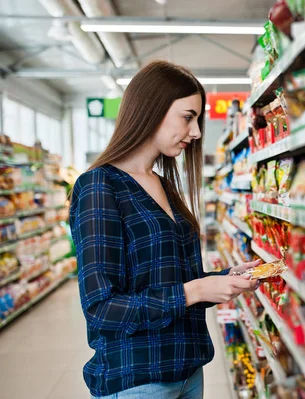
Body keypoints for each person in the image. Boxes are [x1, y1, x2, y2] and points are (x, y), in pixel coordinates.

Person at [69, 60, 260, 399]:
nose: (198, 131)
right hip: (138, 380)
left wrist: (227, 277)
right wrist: (196, 292)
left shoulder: (164, 184)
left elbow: (169, 278)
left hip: (188, 371)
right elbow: (101, 309)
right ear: (151, 109)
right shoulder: (100, 186)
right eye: (188, 117)